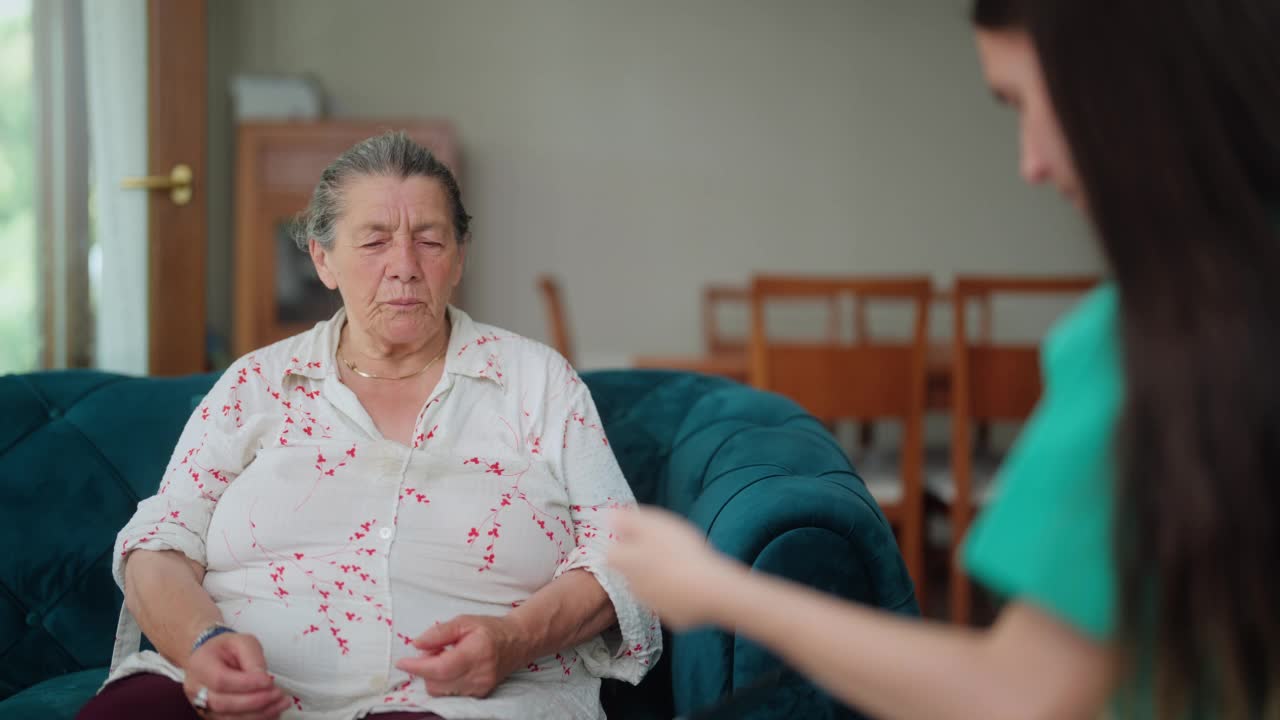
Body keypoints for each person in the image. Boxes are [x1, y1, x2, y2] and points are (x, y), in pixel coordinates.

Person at [609, 0, 1280, 717]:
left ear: (1122, 86)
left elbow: (1020, 691)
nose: (1031, 163)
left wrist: (717, 589)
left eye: (1025, 100)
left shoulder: (1148, 344)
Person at [79, 131, 660, 720]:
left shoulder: (538, 383)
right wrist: (200, 643)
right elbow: (160, 543)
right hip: (241, 700)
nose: (403, 267)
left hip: (463, 703)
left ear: (460, 257)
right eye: (375, 242)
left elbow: (623, 556)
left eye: (430, 240)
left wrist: (512, 639)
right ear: (322, 259)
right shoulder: (256, 384)